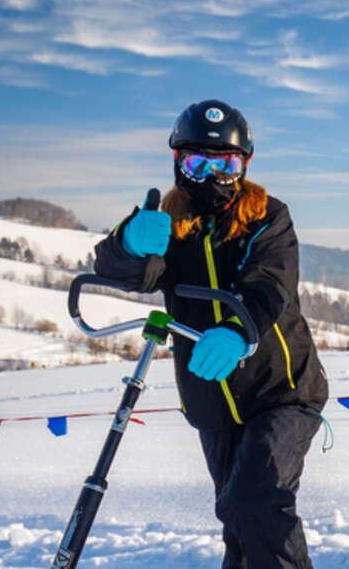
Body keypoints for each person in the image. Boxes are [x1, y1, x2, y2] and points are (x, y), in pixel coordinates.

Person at [95, 100, 327, 568]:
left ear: (244, 165)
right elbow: (135, 274)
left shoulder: (269, 216)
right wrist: (127, 244)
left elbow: (270, 283)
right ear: (178, 163)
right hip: (213, 403)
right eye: (197, 162)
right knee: (238, 521)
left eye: (225, 163)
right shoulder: (169, 223)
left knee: (258, 501)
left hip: (281, 391)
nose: (212, 175)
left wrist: (238, 330)